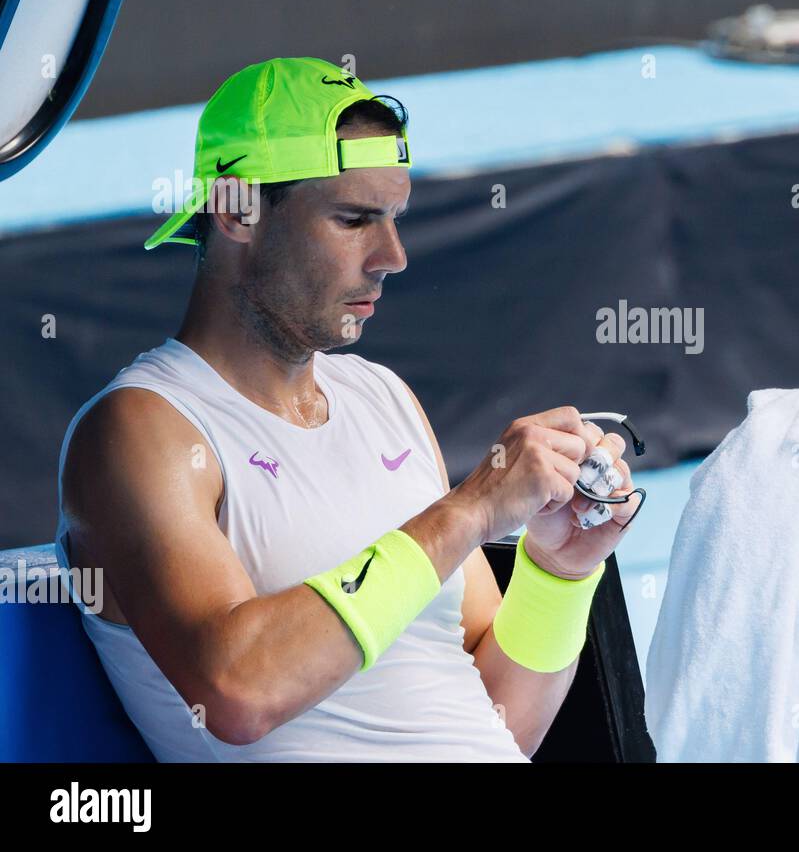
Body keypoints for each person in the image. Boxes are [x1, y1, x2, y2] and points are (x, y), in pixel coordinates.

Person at [54, 56, 641, 761]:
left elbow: (492, 725)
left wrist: (558, 575)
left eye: (394, 218)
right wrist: (470, 509)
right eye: (355, 219)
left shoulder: (383, 399)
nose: (392, 255)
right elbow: (237, 691)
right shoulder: (140, 430)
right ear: (236, 210)